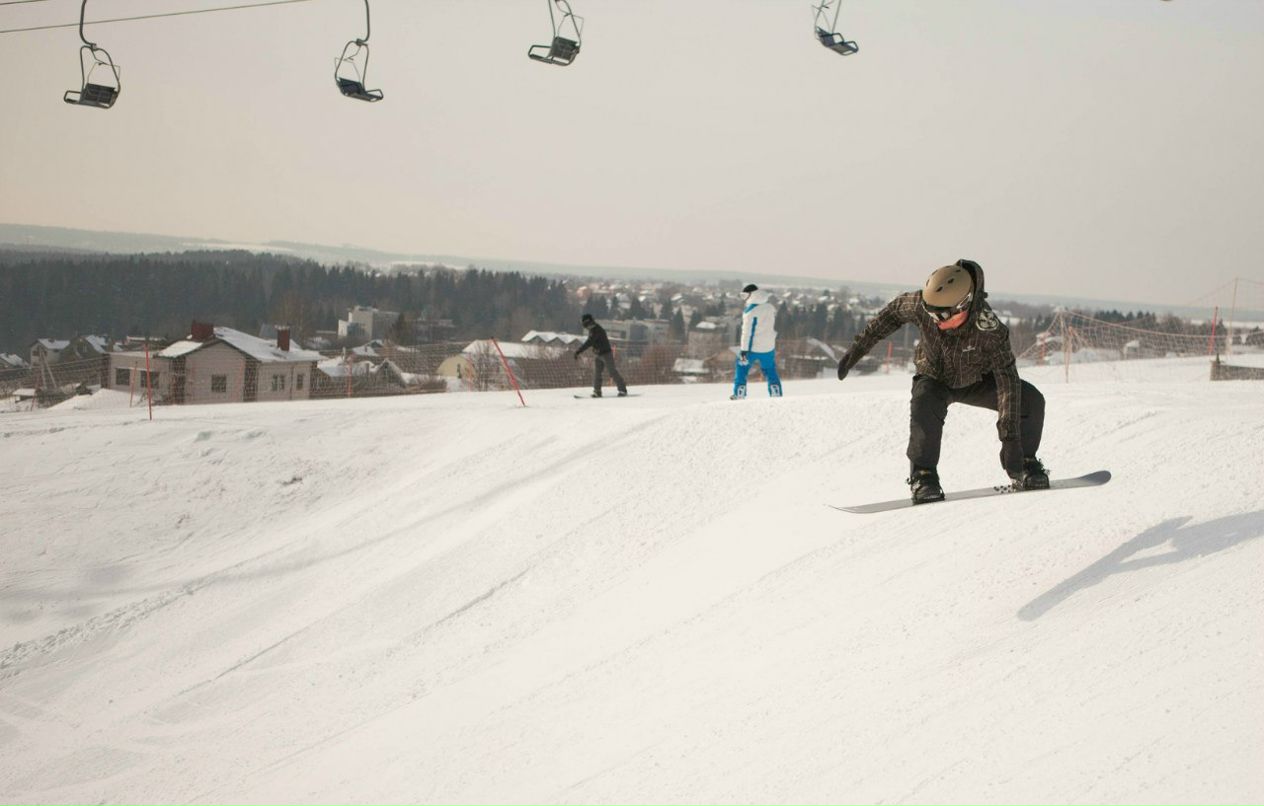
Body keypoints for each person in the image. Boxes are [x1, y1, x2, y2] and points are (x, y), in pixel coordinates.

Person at [835, 259, 1048, 504]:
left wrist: (1011, 440)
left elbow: (1008, 382)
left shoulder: (990, 330)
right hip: (934, 377)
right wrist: (858, 348)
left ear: (965, 305)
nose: (936, 319)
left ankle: (1025, 464)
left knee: (1030, 400)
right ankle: (923, 475)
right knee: (924, 402)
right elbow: (891, 315)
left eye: (943, 314)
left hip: (977, 380)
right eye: (931, 312)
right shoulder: (921, 304)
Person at [732, 283, 783, 399]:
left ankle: (739, 392)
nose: (744, 298)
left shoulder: (750, 311)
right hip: (768, 347)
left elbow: (747, 333)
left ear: (752, 295)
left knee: (742, 368)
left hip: (752, 348)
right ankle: (776, 391)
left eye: (745, 295)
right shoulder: (770, 308)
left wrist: (744, 351)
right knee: (770, 370)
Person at [574, 313, 628, 397]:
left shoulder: (597, 330)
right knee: (597, 373)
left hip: (606, 354)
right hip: (598, 354)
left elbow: (589, 342)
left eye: (585, 324)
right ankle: (597, 391)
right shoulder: (592, 329)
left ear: (588, 322)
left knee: (612, 372)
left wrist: (578, 351)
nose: (586, 327)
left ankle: (622, 389)